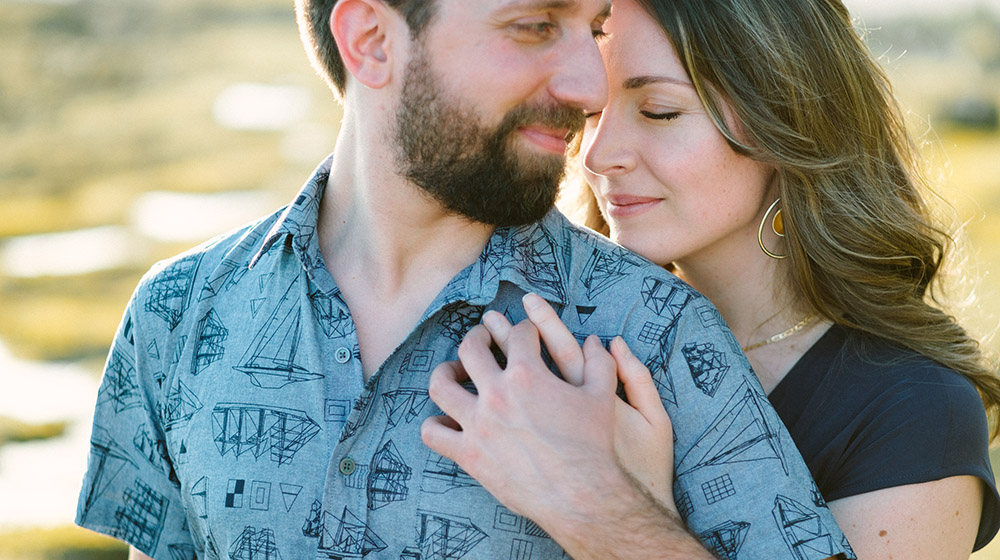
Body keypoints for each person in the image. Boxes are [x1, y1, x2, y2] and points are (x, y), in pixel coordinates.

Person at [74, 0, 854, 559]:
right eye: (535, 26)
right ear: (373, 41)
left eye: (593, 29)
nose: (588, 87)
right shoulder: (177, 313)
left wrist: (605, 516)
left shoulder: (656, 332)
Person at [435, 0, 1000, 558]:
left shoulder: (913, 412)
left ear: (787, 120)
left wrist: (608, 508)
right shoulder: (546, 341)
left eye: (658, 111)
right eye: (588, 116)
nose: (599, 156)